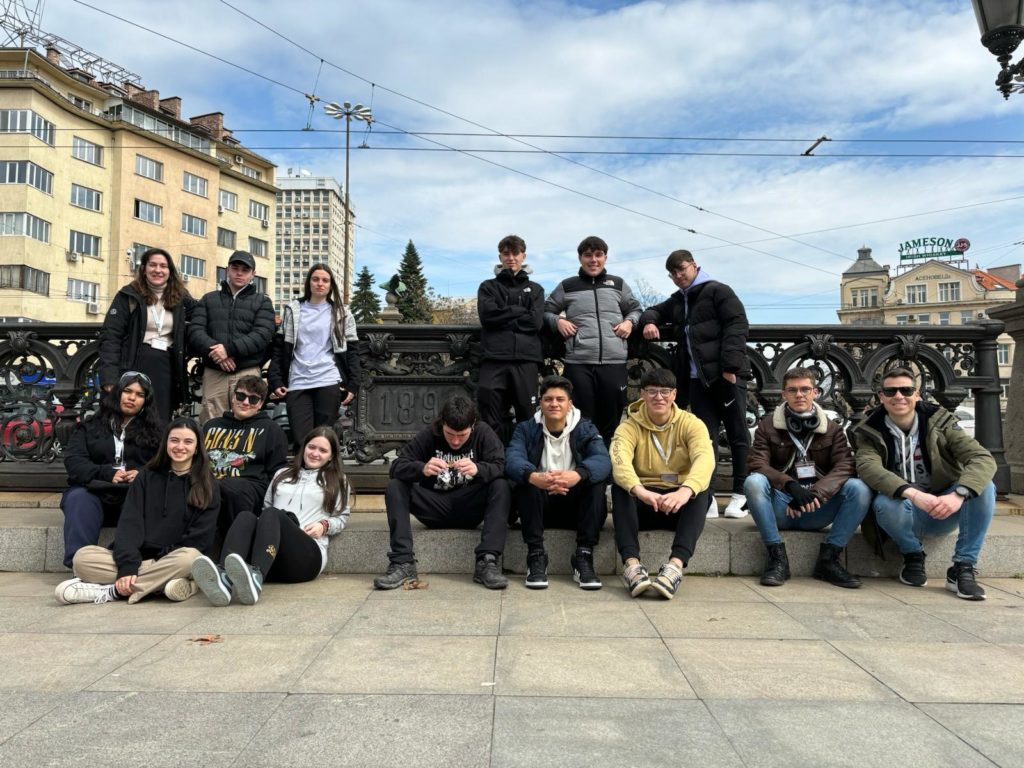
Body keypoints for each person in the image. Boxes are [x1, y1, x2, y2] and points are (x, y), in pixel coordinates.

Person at [852, 367, 997, 601]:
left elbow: (981, 458)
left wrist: (957, 495)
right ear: (881, 397)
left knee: (985, 487)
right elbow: (869, 468)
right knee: (884, 503)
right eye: (890, 391)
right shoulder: (869, 430)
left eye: (906, 390)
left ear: (917, 394)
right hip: (903, 511)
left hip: (943, 506)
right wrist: (914, 495)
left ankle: (963, 567)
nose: (898, 396)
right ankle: (913, 555)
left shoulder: (940, 422)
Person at [55, 417, 220, 605]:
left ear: (197, 447)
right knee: (82, 559)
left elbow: (199, 539)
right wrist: (128, 567)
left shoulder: (208, 485)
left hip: (174, 558)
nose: (180, 446)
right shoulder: (146, 477)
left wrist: (158, 561)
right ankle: (170, 585)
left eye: (188, 441)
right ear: (166, 442)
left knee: (191, 558)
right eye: (174, 440)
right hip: (142, 559)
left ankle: (112, 591)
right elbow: (130, 524)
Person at [640, 249, 751, 519]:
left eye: (682, 269)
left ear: (694, 266)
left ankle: (741, 494)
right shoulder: (680, 299)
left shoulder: (718, 291)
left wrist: (729, 367)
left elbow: (737, 325)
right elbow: (653, 310)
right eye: (673, 273)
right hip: (696, 381)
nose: (679, 276)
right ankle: (707, 495)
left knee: (738, 435)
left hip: (726, 376)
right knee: (705, 440)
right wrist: (649, 322)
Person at [191, 427, 351, 606]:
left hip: (306, 555)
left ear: (331, 456)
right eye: (312, 447)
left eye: (323, 450)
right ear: (303, 448)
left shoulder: (338, 480)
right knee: (246, 516)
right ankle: (224, 577)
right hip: (271, 556)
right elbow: (266, 508)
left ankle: (255, 576)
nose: (315, 453)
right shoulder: (281, 475)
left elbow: (342, 517)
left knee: (273, 514)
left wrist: (324, 525)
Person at [744, 367, 870, 589]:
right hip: (782, 506)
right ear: (784, 395)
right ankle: (777, 557)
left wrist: (815, 493)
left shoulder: (832, 429)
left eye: (805, 389)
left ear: (816, 392)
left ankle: (829, 560)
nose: (799, 395)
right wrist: (790, 486)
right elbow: (757, 463)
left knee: (859, 488)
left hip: (817, 507)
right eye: (792, 390)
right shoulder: (767, 425)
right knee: (753, 482)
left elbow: (845, 465)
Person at [374, 394, 510, 591]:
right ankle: (403, 563)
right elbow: (396, 467)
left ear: (473, 425)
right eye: (449, 434)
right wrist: (421, 468)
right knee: (395, 486)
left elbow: (502, 466)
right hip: (434, 506)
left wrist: (479, 469)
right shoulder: (430, 433)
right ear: (442, 424)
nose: (455, 441)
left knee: (501, 486)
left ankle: (487, 562)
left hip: (470, 506)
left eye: (462, 435)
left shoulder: (484, 433)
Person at [609, 368, 714, 599]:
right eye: (652, 391)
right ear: (642, 395)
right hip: (645, 502)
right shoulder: (628, 426)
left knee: (703, 489)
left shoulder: (692, 423)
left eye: (665, 391)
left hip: (678, 503)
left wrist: (685, 491)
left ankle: (675, 566)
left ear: (674, 394)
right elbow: (619, 462)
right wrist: (640, 491)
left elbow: (705, 459)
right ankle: (632, 565)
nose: (659, 397)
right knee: (620, 488)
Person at [505, 375, 611, 589]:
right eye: (548, 399)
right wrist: (535, 477)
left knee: (596, 482)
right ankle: (536, 556)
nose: (554, 404)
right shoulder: (525, 428)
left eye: (560, 399)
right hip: (539, 507)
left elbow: (603, 461)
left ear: (569, 404)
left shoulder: (585, 428)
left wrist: (578, 474)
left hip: (575, 506)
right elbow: (512, 459)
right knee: (527, 481)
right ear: (540, 403)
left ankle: (584, 556)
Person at [60, 372, 163, 568]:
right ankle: (79, 566)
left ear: (146, 401)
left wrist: (142, 473)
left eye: (140, 395)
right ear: (117, 393)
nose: (132, 398)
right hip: (95, 492)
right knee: (78, 498)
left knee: (148, 502)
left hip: (132, 496)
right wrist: (106, 473)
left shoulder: (157, 432)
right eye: (127, 391)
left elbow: (164, 465)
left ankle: (115, 560)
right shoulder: (89, 427)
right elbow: (74, 462)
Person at [545, 235, 641, 445]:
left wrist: (629, 323)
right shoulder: (567, 286)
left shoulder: (618, 284)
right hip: (579, 362)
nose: (593, 260)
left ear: (605, 257)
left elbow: (635, 308)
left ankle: (608, 467)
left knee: (612, 419)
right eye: (588, 255)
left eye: (598, 255)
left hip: (614, 361)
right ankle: (585, 468)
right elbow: (546, 311)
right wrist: (558, 322)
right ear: (580, 258)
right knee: (581, 419)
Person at [269, 263, 361, 448]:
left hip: (328, 379)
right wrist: (276, 380)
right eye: (316, 279)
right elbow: (280, 348)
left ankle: (325, 477)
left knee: (323, 438)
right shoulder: (293, 310)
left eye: (325, 280)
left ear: (331, 285)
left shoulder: (342, 313)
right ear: (309, 283)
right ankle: (302, 475)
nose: (320, 283)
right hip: (298, 380)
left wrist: (353, 384)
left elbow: (352, 351)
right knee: (301, 438)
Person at [97, 247, 195, 422]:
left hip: (166, 366)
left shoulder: (180, 298)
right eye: (153, 265)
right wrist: (109, 378)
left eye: (163, 266)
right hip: (134, 364)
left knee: (159, 420)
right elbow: (111, 337)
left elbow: (202, 315)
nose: (158, 270)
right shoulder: (128, 295)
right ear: (144, 269)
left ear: (170, 271)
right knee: (130, 419)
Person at [188, 250, 276, 425]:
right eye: (235, 268)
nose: (239, 272)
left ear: (253, 274)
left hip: (247, 371)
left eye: (245, 269)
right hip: (214, 372)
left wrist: (228, 350)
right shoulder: (208, 299)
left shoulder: (263, 302)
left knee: (249, 422)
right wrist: (217, 353)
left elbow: (262, 334)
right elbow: (195, 331)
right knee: (212, 423)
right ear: (227, 270)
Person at [202, 374, 289, 537]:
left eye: (253, 399)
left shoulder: (271, 430)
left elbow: (278, 472)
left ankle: (237, 549)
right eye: (241, 396)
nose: (245, 402)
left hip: (248, 489)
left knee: (232, 487)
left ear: (261, 404)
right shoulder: (211, 426)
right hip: (209, 486)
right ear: (233, 397)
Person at [476, 234, 545, 440]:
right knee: (489, 416)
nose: (511, 258)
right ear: (500, 257)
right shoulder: (488, 287)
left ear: (523, 256)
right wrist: (519, 311)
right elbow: (488, 317)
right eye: (506, 254)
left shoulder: (536, 289)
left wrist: (504, 314)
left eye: (515, 253)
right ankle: (493, 461)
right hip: (494, 359)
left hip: (526, 360)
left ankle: (526, 464)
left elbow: (535, 322)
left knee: (528, 417)